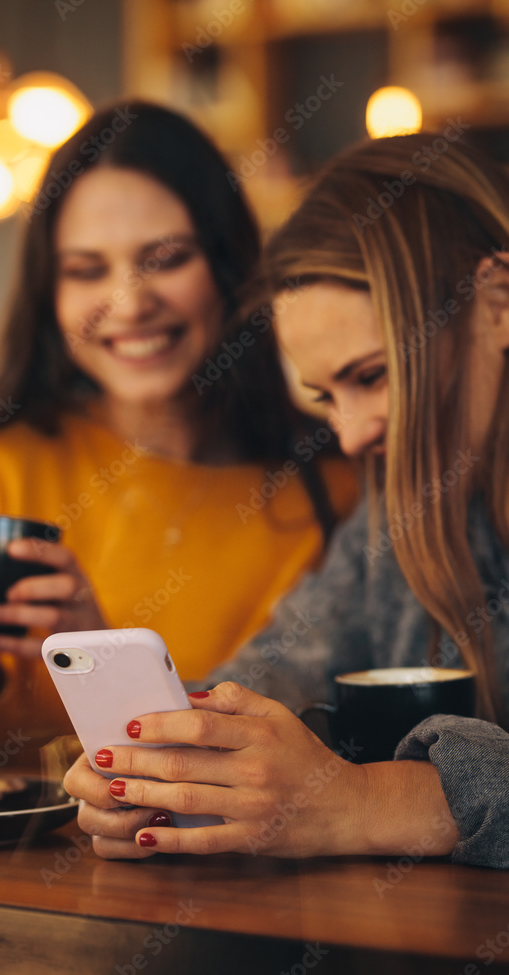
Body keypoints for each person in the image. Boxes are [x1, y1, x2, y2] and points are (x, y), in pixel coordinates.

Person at [65, 131, 509, 869]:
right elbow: (279, 667)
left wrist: (366, 803)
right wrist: (161, 766)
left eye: (371, 375)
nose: (352, 433)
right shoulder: (398, 517)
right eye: (325, 397)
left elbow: (352, 798)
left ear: (495, 301)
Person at [0, 101, 357, 760]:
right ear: (48, 294)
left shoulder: (339, 476)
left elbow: (328, 743)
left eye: (165, 259)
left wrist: (105, 663)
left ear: (228, 266)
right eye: (86, 271)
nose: (129, 303)